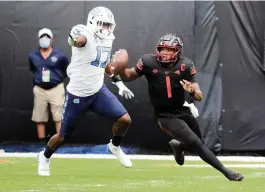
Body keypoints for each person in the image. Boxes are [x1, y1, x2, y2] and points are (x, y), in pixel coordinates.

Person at [117, 33, 244, 181]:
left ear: (177, 51)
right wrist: (120, 67)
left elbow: (199, 96)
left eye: (170, 50)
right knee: (197, 144)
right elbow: (128, 75)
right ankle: (226, 172)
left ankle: (179, 146)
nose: (165, 53)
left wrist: (192, 91)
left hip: (182, 110)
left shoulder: (185, 65)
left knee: (198, 143)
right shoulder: (148, 62)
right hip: (165, 116)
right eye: (163, 49)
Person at [37, 6, 134, 176]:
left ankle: (114, 146)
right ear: (92, 22)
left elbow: (103, 64)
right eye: (102, 24)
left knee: (125, 119)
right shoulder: (85, 33)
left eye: (108, 24)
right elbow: (78, 40)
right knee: (62, 136)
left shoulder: (108, 38)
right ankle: (44, 157)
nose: (105, 28)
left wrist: (119, 84)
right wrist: (74, 40)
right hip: (78, 94)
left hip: (98, 91)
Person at [29, 28, 69, 143]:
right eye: (42, 37)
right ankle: (41, 142)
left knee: (59, 116)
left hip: (56, 88)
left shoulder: (60, 56)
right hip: (39, 89)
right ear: (39, 40)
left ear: (51, 39)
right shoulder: (33, 56)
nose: (44, 39)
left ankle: (59, 141)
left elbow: (66, 70)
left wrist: (56, 79)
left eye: (47, 37)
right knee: (39, 116)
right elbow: (33, 69)